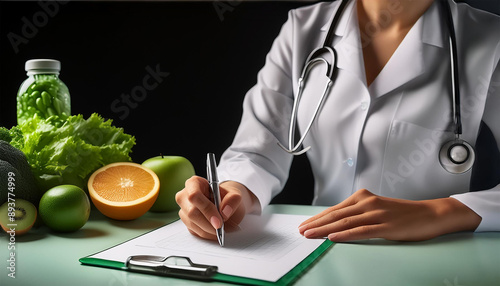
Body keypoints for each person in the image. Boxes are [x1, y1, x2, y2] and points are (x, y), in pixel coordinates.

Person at [176, 0, 500, 242]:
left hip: (438, 253)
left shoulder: (490, 39)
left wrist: (440, 212)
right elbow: (256, 152)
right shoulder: (301, 28)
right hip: (314, 248)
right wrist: (232, 194)